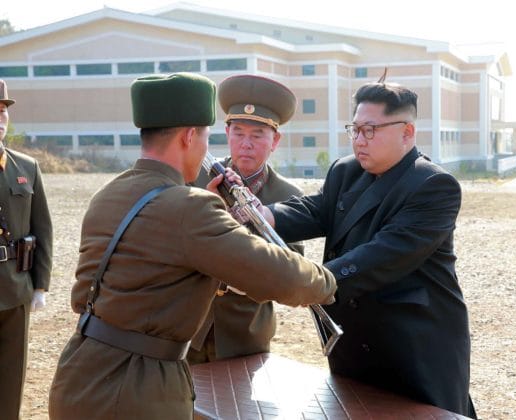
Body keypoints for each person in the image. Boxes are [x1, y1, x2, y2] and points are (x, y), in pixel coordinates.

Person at [48, 72, 336, 419]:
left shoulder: (109, 193)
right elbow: (287, 279)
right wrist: (331, 279)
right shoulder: (192, 207)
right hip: (139, 388)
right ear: (188, 137)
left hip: (79, 371)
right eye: (206, 137)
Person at [262, 79, 477, 417]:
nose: (360, 140)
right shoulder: (346, 171)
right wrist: (265, 215)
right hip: (352, 340)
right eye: (355, 129)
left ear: (407, 132)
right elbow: (318, 210)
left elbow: (384, 255)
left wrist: (308, 280)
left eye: (371, 130)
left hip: (414, 345)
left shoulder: (433, 185)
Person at [187, 74, 305, 363]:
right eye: (238, 133)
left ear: (275, 140)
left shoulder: (288, 196)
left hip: (246, 333)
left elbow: (291, 269)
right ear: (226, 134)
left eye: (257, 135)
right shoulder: (195, 177)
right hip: (189, 324)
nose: (246, 144)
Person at [0, 79, 53, 420]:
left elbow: (42, 228)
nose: (0, 118)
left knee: (10, 378)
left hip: (15, 287)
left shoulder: (25, 167)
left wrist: (41, 285)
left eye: (3, 111)